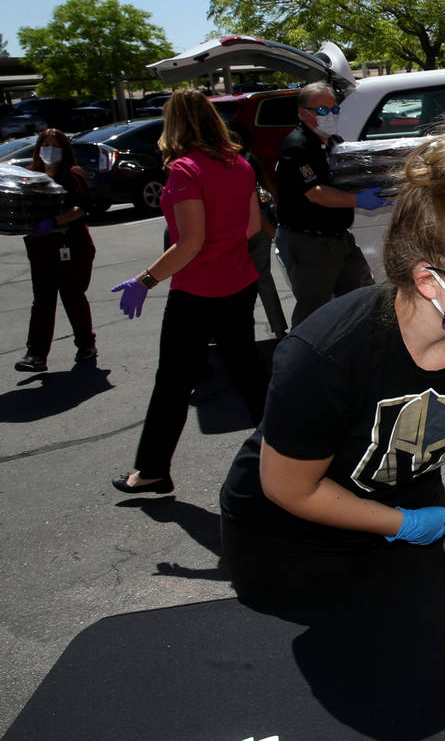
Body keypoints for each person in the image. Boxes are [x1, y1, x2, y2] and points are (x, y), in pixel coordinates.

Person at [219, 109, 445, 616]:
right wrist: (403, 525)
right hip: (293, 542)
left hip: (410, 500)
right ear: (427, 280)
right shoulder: (326, 354)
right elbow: (289, 488)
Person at [110, 89, 268, 494]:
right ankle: (292, 457)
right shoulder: (239, 164)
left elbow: (190, 242)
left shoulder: (185, 170)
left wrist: (144, 280)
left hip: (198, 292)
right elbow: (251, 228)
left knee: (173, 384)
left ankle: (152, 470)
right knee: (249, 377)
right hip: (239, 284)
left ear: (174, 124)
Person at [273, 81, 390, 328]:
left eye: (334, 109)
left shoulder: (332, 142)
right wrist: (359, 200)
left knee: (362, 296)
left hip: (338, 238)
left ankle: (358, 351)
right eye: (323, 110)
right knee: (313, 308)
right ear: (303, 113)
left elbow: (348, 175)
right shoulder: (296, 146)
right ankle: (301, 360)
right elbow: (315, 193)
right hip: (309, 242)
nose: (331, 115)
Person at [14, 129, 96, 372]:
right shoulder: (29, 176)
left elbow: (81, 207)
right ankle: (36, 354)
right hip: (41, 249)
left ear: (64, 149)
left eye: (55, 145)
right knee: (42, 301)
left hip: (71, 246)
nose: (49, 150)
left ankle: (86, 344)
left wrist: (55, 222)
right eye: (45, 145)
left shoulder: (73, 176)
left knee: (73, 296)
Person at [232, 126, 288, 340]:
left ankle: (232, 331)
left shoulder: (222, 165)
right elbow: (269, 186)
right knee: (263, 278)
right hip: (258, 225)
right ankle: (279, 328)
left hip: (234, 229)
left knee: (235, 282)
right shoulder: (249, 161)